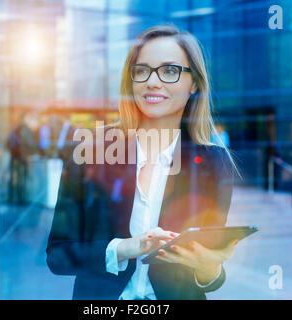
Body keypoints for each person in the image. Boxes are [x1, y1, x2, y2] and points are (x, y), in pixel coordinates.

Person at [46, 25, 239, 300]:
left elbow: (207, 279)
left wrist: (209, 267)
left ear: (194, 83)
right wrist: (125, 248)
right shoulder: (90, 151)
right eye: (142, 70)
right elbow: (58, 255)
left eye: (170, 71)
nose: (152, 81)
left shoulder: (214, 164)